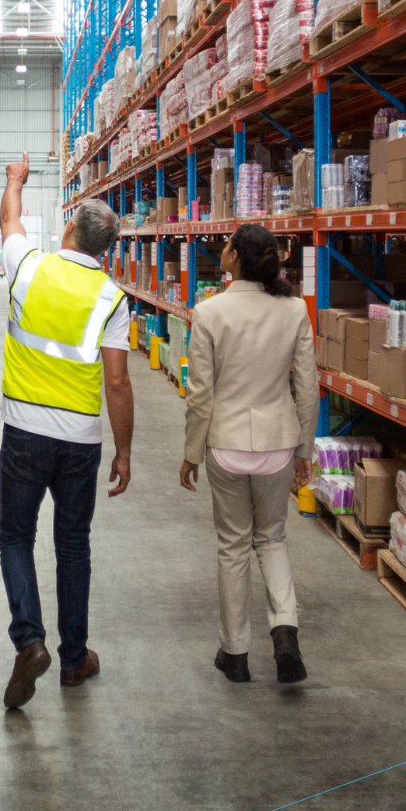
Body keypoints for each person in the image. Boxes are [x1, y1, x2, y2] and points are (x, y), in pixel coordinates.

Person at [0, 153, 132, 709]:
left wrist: (13, 182)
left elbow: (9, 222)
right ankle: (74, 660)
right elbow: (118, 384)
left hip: (23, 431)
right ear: (107, 250)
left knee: (15, 537)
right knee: (73, 544)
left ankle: (30, 639)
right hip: (81, 439)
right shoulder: (113, 297)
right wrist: (124, 451)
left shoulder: (29, 265)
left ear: (69, 229)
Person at [180, 224, 318, 684]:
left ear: (235, 257)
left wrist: (191, 453)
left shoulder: (209, 312)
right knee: (273, 539)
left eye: (226, 246)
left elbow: (201, 393)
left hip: (226, 444)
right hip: (278, 445)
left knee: (233, 546)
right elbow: (308, 388)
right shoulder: (295, 310)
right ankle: (284, 632)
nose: (221, 250)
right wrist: (305, 448)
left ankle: (235, 653)